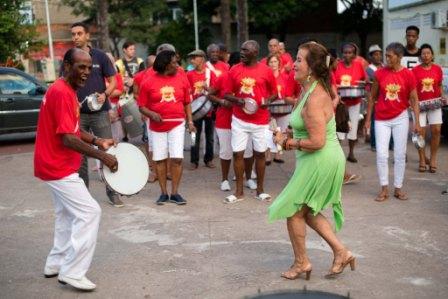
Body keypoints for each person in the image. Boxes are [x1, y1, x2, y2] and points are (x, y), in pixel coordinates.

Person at [268, 41, 354, 280]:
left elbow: (317, 141)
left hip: (321, 158)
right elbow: (305, 130)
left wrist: (287, 143)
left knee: (293, 210)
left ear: (312, 67)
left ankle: (302, 263)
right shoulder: (307, 88)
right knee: (306, 211)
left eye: (298, 60)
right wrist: (286, 135)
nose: (292, 64)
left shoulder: (315, 96)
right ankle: (341, 252)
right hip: (315, 159)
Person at [35, 48, 118, 291]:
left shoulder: (66, 90)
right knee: (90, 212)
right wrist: (103, 156)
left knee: (66, 215)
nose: (85, 72)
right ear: (67, 66)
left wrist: (97, 141)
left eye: (88, 67)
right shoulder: (62, 92)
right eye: (80, 67)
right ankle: (72, 271)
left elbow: (70, 130)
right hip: (57, 165)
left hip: (54, 164)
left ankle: (56, 263)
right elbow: (67, 140)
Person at [70, 22, 121, 207]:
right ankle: (84, 198)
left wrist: (105, 94)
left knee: (107, 150)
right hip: (79, 114)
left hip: (100, 113)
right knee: (81, 156)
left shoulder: (100, 56)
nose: (75, 37)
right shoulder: (70, 58)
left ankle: (113, 192)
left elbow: (114, 82)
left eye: (79, 33)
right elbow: (64, 82)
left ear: (87, 36)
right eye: (73, 34)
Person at [365, 42, 422, 202]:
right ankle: (384, 188)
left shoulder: (408, 75)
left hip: (401, 118)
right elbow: (372, 98)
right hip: (381, 119)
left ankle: (398, 188)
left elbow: (414, 100)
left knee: (399, 154)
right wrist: (368, 120)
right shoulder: (380, 73)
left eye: (390, 56)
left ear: (399, 56)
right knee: (382, 155)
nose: (387, 58)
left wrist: (417, 122)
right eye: (386, 56)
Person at [223, 40, 278, 203]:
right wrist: (238, 100)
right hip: (239, 119)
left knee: (260, 154)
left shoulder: (266, 70)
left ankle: (260, 190)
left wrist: (267, 101)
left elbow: (275, 93)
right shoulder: (234, 69)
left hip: (260, 120)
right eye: (241, 49)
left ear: (255, 52)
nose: (241, 52)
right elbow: (226, 93)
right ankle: (239, 192)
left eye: (245, 50)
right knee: (237, 153)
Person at [138, 50, 196, 205]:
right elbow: (141, 106)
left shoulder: (182, 78)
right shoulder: (148, 81)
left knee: (177, 158)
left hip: (177, 123)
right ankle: (163, 193)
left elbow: (187, 102)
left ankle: (175, 193)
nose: (177, 65)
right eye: (174, 62)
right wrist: (151, 114)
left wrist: (190, 122)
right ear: (165, 64)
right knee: (160, 159)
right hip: (156, 126)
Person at [412, 44, 444, 173]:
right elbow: (412, 89)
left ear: (432, 55)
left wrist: (443, 96)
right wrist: (412, 103)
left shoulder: (438, 69)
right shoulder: (414, 71)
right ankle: (421, 159)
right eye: (423, 53)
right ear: (420, 56)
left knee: (436, 130)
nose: (426, 55)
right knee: (420, 133)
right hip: (419, 105)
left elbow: (440, 85)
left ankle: (433, 159)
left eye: (428, 53)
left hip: (435, 104)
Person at [333, 43, 367, 163]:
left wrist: (360, 84)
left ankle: (351, 153)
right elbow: (332, 81)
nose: (347, 55)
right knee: (340, 127)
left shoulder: (358, 65)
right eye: (345, 52)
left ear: (354, 54)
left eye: (350, 52)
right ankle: (338, 154)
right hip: (341, 102)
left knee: (353, 127)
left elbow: (363, 80)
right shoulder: (338, 65)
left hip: (355, 100)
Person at [186, 49, 217, 169]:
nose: (192, 60)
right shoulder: (189, 74)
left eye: (195, 57)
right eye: (191, 58)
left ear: (202, 59)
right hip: (194, 109)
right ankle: (194, 161)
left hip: (208, 108)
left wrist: (207, 87)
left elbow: (216, 89)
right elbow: (186, 91)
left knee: (209, 137)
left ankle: (208, 159)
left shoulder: (210, 73)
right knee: (194, 135)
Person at [265, 54, 296, 164]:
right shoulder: (266, 78)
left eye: (275, 62)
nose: (273, 64)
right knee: (270, 131)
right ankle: (267, 155)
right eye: (271, 62)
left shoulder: (285, 77)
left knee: (282, 132)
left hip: (284, 108)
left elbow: (290, 93)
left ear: (279, 64)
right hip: (270, 109)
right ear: (267, 64)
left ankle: (278, 154)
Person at [365, 44, 385, 151]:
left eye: (379, 54)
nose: (378, 56)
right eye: (375, 54)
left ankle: (388, 143)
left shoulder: (384, 67)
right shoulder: (369, 69)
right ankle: (374, 143)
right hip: (373, 96)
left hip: (383, 97)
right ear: (371, 57)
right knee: (374, 120)